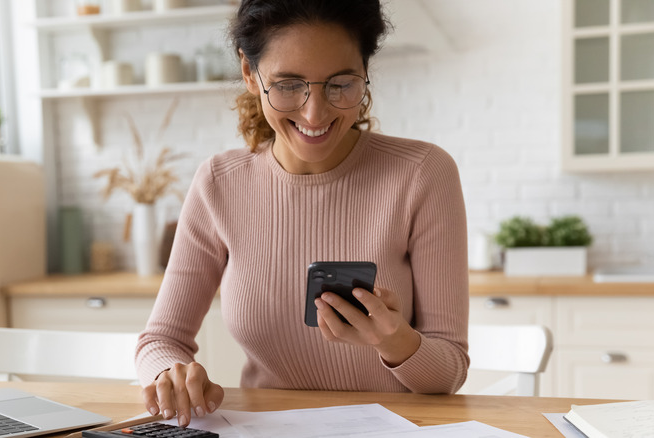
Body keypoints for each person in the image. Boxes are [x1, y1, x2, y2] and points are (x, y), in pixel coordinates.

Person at [136, 0, 470, 427]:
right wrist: (170, 373)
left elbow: (449, 372)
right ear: (249, 74)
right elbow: (160, 340)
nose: (315, 113)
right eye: (288, 84)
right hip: (266, 430)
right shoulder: (219, 183)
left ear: (365, 71)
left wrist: (396, 341)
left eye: (340, 84)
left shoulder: (422, 173)